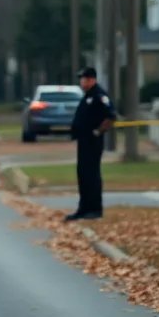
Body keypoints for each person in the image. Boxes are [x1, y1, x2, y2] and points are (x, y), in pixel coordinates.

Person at [66, 67, 117, 221]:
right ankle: (83, 208)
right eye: (81, 79)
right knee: (83, 174)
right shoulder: (87, 96)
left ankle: (95, 209)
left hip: (93, 141)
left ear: (92, 79)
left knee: (92, 174)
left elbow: (110, 116)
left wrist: (98, 132)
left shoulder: (99, 95)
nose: (82, 82)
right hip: (83, 141)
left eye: (84, 79)